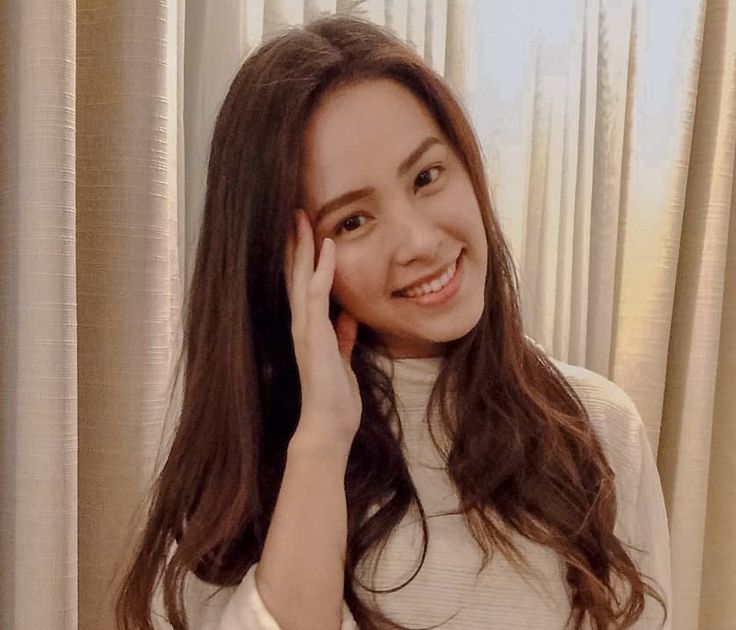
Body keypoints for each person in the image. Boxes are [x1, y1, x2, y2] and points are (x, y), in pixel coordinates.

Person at [115, 13, 671, 630]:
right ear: (283, 259)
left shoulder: (596, 426)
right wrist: (323, 436)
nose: (419, 242)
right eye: (352, 221)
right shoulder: (240, 472)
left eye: (427, 177)